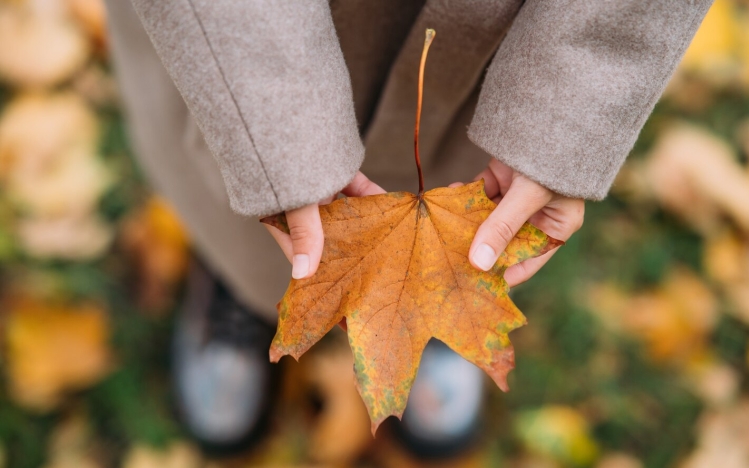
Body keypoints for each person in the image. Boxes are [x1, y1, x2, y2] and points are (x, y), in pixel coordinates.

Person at [105, 0, 713, 457]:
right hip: (248, 31)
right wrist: (275, 140)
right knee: (255, 197)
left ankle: (444, 310)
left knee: (476, 204)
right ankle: (235, 282)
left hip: (500, 47)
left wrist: (565, 118)